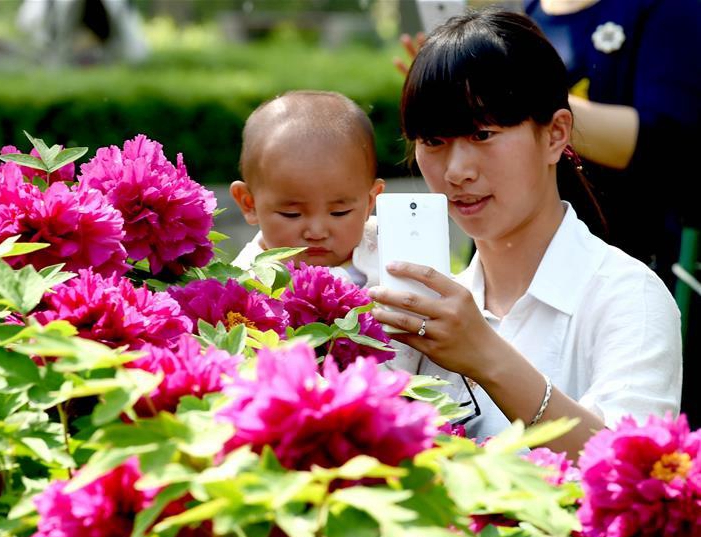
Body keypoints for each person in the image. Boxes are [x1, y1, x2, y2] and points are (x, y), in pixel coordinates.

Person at [368, 9, 682, 458]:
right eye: (433, 142)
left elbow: (630, 474)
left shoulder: (629, 298)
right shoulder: (425, 306)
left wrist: (485, 357)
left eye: (482, 134)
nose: (456, 172)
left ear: (555, 135)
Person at [525, 0, 701, 429]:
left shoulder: (666, 10)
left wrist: (520, 91)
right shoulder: (533, 10)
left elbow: (665, 139)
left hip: (639, 254)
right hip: (533, 265)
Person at [230, 90, 385, 288]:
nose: (317, 232)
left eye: (339, 212)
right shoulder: (244, 285)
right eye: (291, 214)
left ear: (370, 201)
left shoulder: (392, 248)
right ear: (249, 204)